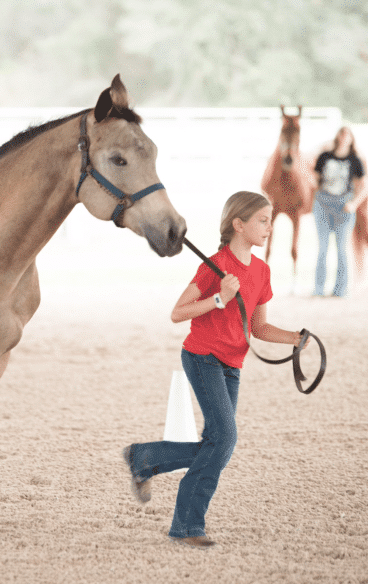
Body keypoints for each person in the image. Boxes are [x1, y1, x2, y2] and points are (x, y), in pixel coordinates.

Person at [122, 191, 308, 550]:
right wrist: (219, 297)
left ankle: (144, 458)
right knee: (224, 440)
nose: (270, 227)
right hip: (202, 356)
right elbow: (178, 312)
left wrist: (295, 338)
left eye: (270, 220)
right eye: (262, 220)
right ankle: (187, 526)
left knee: (217, 443)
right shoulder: (214, 266)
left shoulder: (262, 271)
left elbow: (258, 328)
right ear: (239, 225)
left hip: (233, 365)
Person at [312, 126, 368, 297]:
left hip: (344, 206)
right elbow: (313, 178)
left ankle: (340, 289)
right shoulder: (325, 157)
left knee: (341, 248)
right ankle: (319, 288)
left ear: (351, 139)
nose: (344, 138)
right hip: (323, 203)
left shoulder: (354, 160)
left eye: (347, 135)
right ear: (337, 137)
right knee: (322, 248)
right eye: (341, 134)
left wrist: (353, 203)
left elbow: (363, 187)